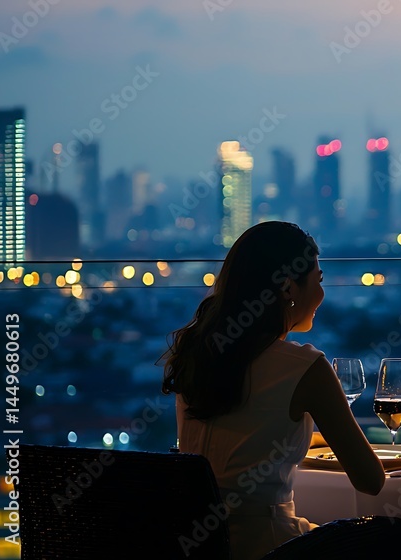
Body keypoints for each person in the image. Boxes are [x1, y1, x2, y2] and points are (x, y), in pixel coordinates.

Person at [161, 221, 384, 560]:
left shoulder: (197, 354)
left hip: (195, 547)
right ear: (289, 288)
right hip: (271, 549)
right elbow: (371, 480)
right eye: (318, 281)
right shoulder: (304, 368)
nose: (322, 294)